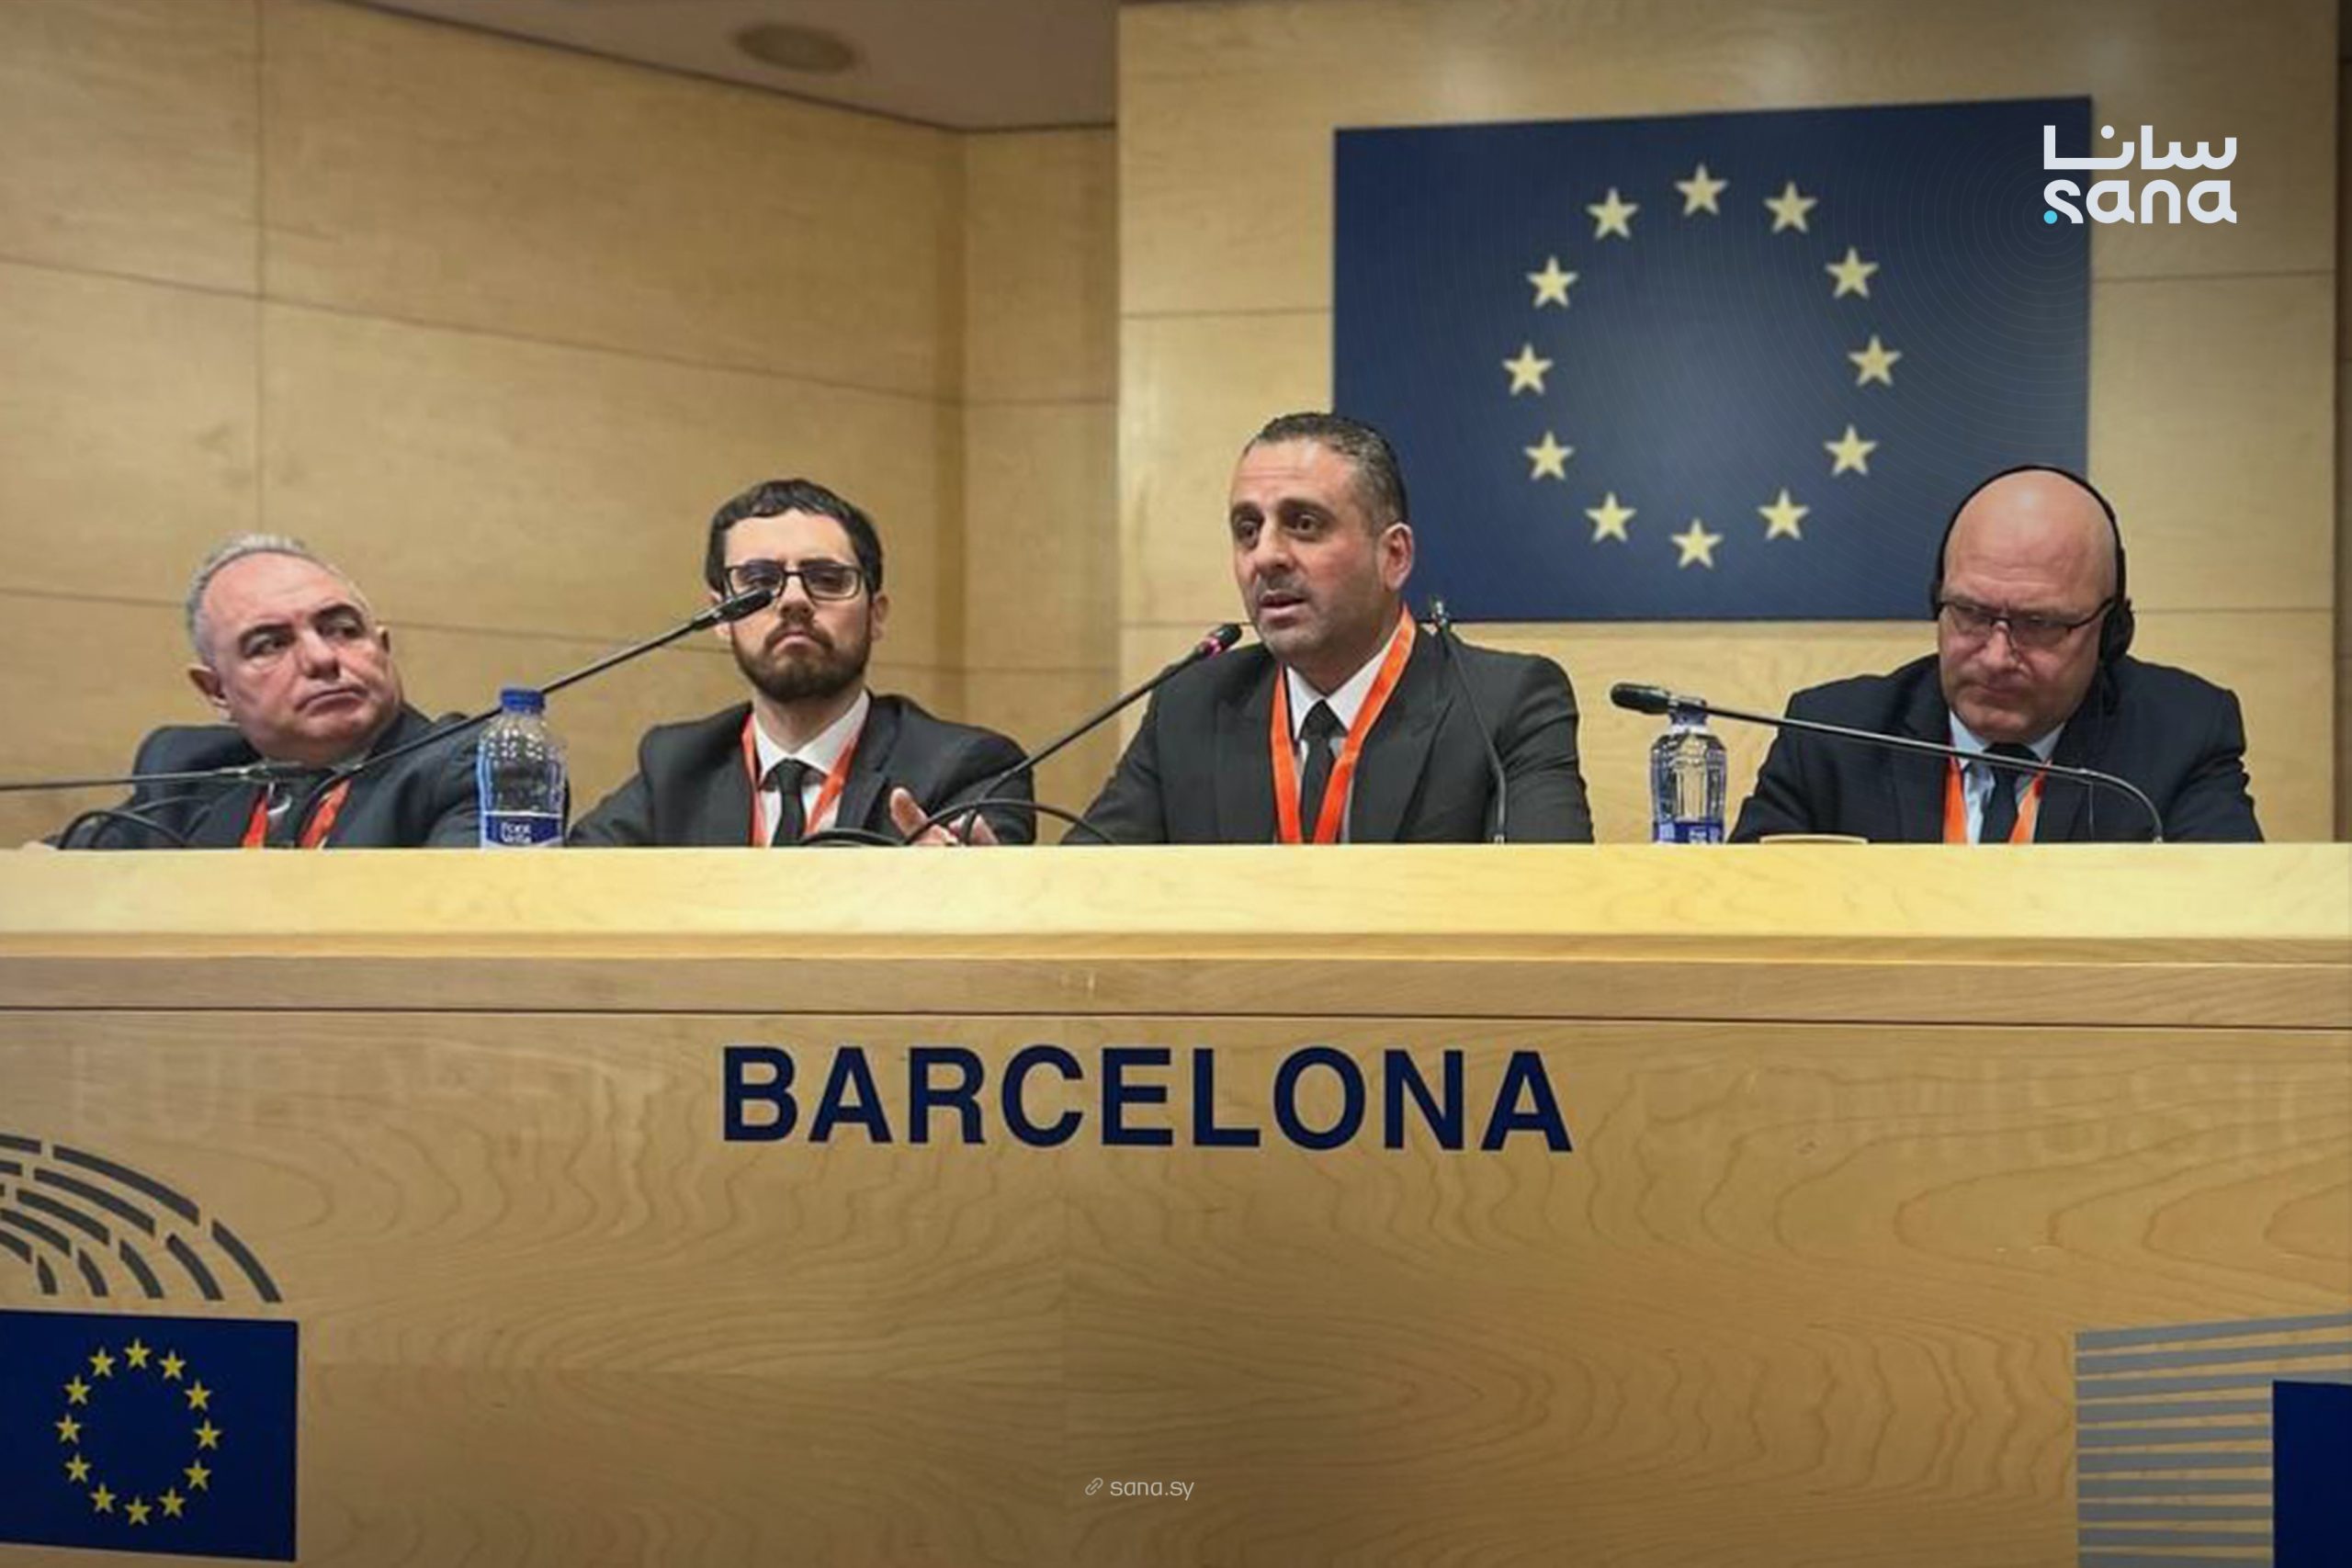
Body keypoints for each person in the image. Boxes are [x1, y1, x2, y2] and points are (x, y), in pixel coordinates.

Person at [1079, 412, 1594, 843]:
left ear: (1394, 556)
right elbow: (1084, 886)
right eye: (1248, 530)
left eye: (1304, 524)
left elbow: (1550, 898)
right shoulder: (1190, 705)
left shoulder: (1502, 706)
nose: (1266, 556)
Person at [1731, 466, 2261, 843]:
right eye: (1971, 612)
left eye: (2040, 624)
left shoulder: (2181, 736)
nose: (1996, 657)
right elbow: (1744, 922)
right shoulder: (1830, 738)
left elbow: (2230, 928)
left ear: (2112, 632)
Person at [571, 478, 1034, 846]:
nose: (794, 599)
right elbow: (567, 884)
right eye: (759, 582)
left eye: (828, 579)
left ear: (875, 615)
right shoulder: (677, 766)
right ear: (721, 616)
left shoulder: (965, 768)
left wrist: (975, 889)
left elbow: (995, 903)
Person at [55, 535, 477, 849]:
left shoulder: (467, 768)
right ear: (217, 691)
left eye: (343, 630)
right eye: (271, 644)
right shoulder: (188, 778)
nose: (321, 658)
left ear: (382, 649)